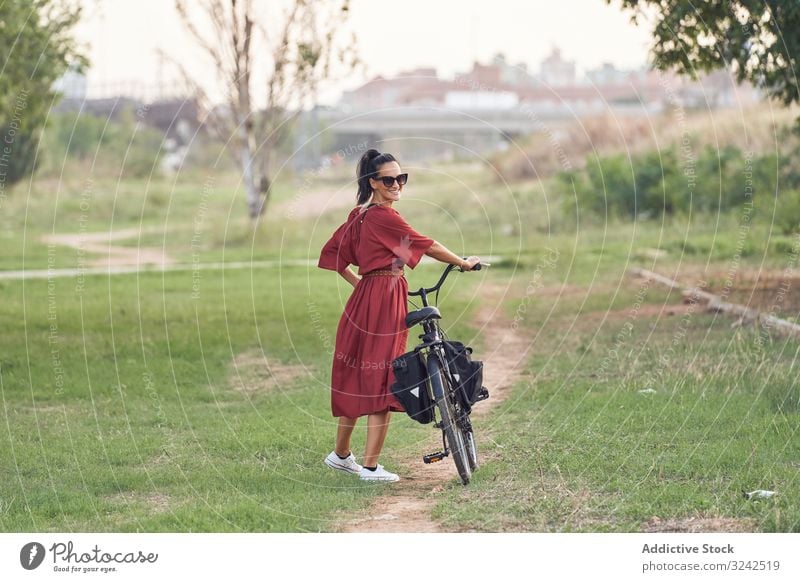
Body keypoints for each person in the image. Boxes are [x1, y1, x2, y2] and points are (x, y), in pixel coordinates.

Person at [318, 149, 480, 482]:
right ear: (372, 182)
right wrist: (463, 262)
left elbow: (340, 257)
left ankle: (341, 455)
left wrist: (364, 286)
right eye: (389, 180)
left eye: (401, 178)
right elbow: (428, 245)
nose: (397, 185)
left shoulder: (360, 215)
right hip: (380, 300)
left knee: (357, 376)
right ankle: (371, 468)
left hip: (367, 299)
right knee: (384, 379)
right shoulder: (383, 217)